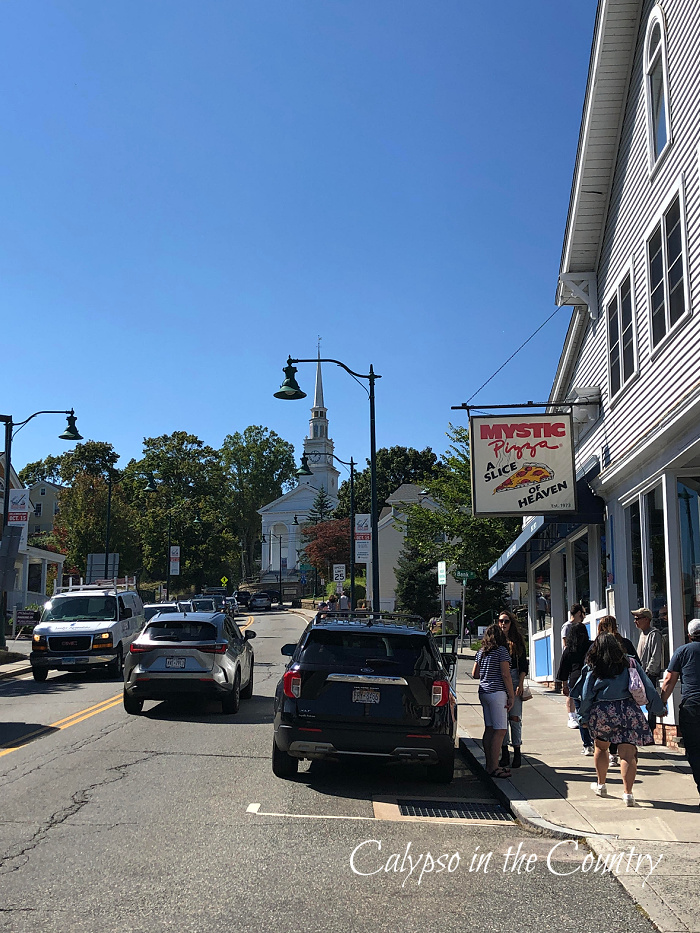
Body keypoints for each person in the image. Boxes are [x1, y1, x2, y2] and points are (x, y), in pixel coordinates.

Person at [578, 633, 667, 806]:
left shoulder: (593, 666)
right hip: (627, 709)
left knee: (601, 748)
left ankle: (601, 785)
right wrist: (658, 708)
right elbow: (647, 686)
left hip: (602, 711)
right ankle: (628, 794)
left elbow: (586, 695)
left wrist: (584, 716)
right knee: (627, 753)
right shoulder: (629, 663)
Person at [660, 619, 700, 803]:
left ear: (690, 635)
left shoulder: (683, 651)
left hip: (692, 706)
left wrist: (660, 704)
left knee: (694, 750)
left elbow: (669, 681)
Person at [472, 624, 515, 778]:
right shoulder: (501, 651)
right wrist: (511, 695)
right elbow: (505, 674)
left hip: (484, 692)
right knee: (500, 730)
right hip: (497, 692)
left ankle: (489, 765)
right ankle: (494, 766)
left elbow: (475, 673)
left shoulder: (481, 652)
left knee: (489, 728)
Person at [596, 615, 639, 765]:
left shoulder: (597, 645)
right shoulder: (625, 643)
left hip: (604, 697)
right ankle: (626, 755)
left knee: (608, 729)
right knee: (624, 729)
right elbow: (636, 665)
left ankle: (612, 754)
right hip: (626, 693)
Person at [497, 612, 529, 769]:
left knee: (514, 717)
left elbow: (523, 665)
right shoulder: (496, 641)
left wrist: (520, 684)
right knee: (502, 718)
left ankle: (517, 751)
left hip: (515, 678)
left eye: (506, 621)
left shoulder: (517, 642)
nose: (503, 624)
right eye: (501, 621)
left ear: (511, 623)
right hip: (500, 680)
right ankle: (504, 753)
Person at [557, 621, 593, 755]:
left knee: (581, 713)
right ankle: (596, 740)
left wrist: (564, 685)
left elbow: (563, 670)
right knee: (593, 711)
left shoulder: (569, 649)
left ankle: (587, 745)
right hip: (591, 682)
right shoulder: (591, 646)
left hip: (575, 682)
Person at [633, 607, 664, 739]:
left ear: (646, 619)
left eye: (637, 618)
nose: (635, 621)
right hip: (640, 675)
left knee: (651, 704)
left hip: (649, 675)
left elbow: (656, 657)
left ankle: (650, 732)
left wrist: (648, 673)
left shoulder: (654, 634)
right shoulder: (642, 634)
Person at [562, 604, 586, 728]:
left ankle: (577, 714)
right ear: (578, 613)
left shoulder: (581, 627)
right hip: (572, 663)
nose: (584, 616)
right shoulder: (567, 626)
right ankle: (571, 716)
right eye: (583, 613)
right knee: (572, 692)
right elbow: (565, 645)